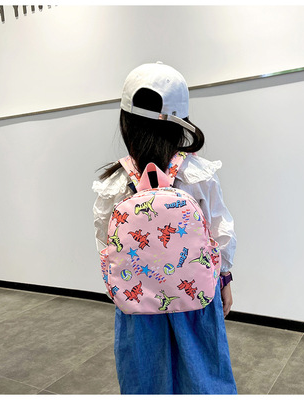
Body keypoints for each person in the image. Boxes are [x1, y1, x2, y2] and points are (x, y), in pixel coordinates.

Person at [92, 62, 237, 395]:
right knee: (203, 371)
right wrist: (225, 278)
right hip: (195, 294)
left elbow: (105, 242)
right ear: (181, 122)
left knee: (144, 377)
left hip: (138, 298)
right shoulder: (198, 174)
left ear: (125, 122)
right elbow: (220, 232)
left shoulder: (114, 183)